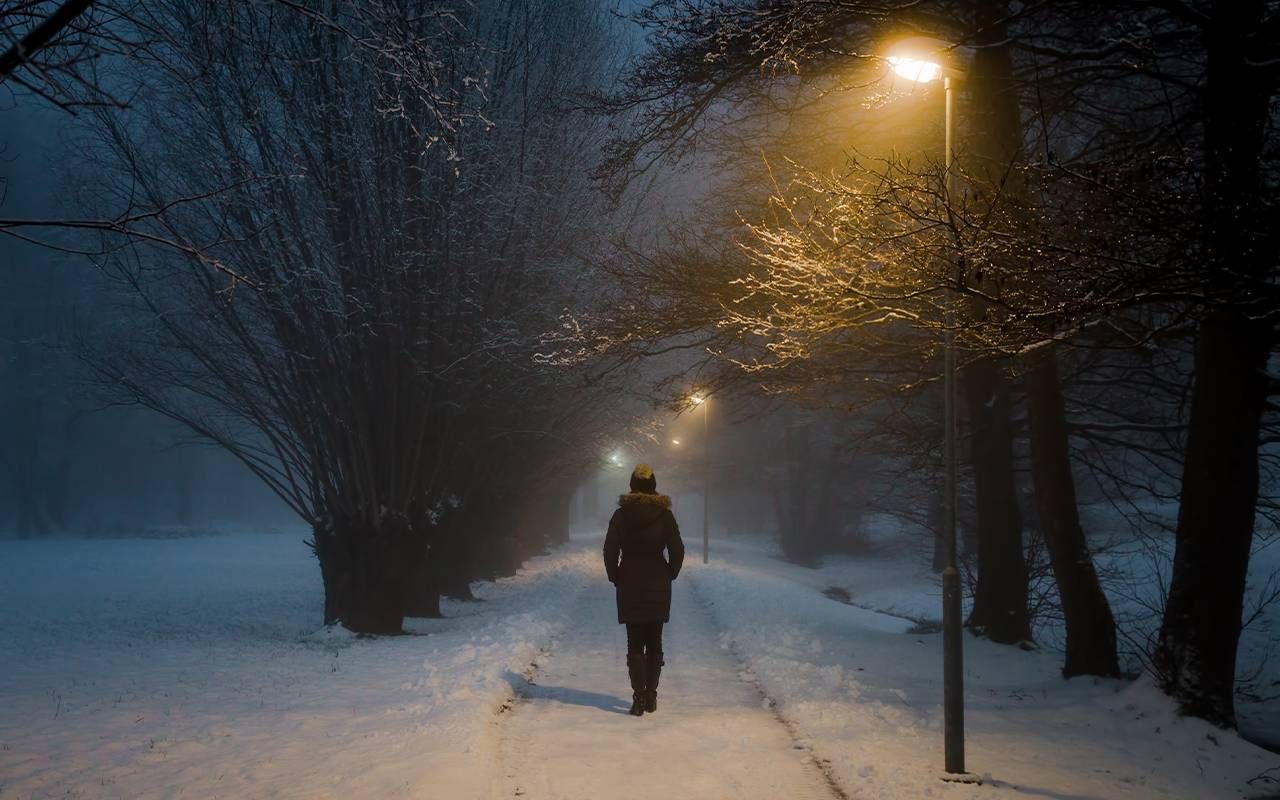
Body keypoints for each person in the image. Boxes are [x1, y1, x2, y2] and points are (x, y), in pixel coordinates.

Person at [603, 463, 686, 716]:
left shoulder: (621, 515)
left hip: (630, 581)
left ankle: (638, 698)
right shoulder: (665, 515)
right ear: (653, 486)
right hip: (658, 582)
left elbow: (609, 549)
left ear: (632, 485)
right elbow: (678, 550)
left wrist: (615, 575)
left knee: (635, 642)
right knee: (655, 639)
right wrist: (669, 573)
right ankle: (652, 696)